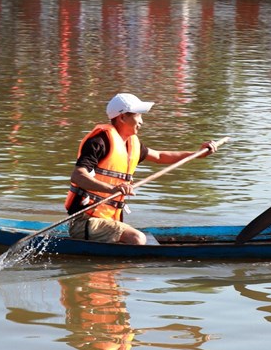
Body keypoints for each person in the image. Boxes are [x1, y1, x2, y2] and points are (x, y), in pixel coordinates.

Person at [65, 93, 218, 245]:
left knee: (136, 238)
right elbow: (78, 176)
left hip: (107, 220)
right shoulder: (98, 142)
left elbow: (160, 156)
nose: (141, 122)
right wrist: (113, 188)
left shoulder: (132, 144)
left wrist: (197, 154)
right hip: (84, 221)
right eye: (138, 116)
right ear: (122, 117)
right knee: (137, 239)